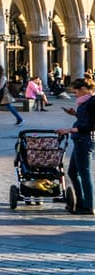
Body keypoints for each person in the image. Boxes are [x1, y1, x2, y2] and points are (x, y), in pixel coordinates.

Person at [57, 77, 93, 214]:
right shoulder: (85, 102)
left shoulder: (92, 102)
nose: (74, 94)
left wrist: (68, 130)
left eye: (76, 91)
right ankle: (81, 202)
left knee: (84, 173)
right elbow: (85, 120)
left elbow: (91, 126)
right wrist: (75, 115)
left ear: (84, 89)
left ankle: (89, 206)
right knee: (73, 172)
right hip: (79, 140)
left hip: (86, 141)